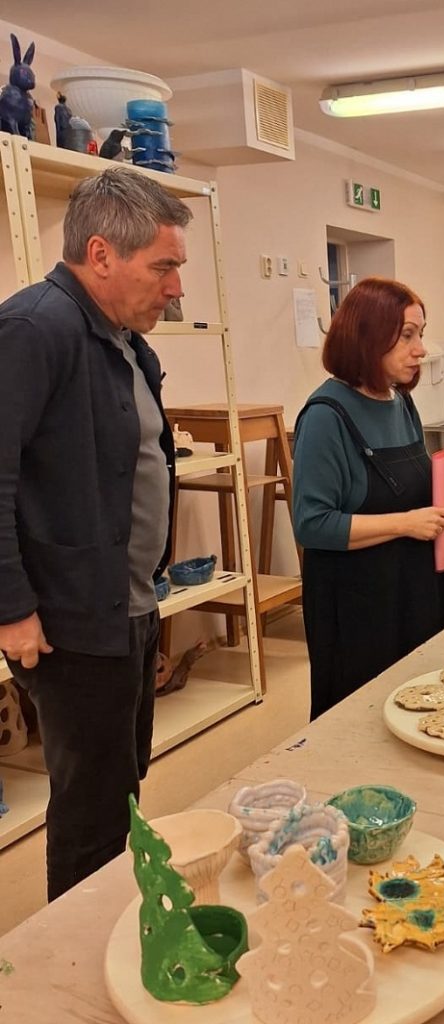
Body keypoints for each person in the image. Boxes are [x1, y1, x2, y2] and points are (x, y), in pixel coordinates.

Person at [0, 167, 188, 900]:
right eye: (163, 267)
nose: (175, 288)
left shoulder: (124, 341)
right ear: (102, 254)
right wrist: (12, 608)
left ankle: (116, 923)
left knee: (123, 783)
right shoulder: (33, 330)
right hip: (69, 623)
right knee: (90, 811)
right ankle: (76, 954)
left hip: (128, 605)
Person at [293, 277, 444, 720]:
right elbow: (312, 524)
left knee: (426, 708)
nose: (421, 349)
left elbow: (412, 489)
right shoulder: (326, 416)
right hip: (358, 606)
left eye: (420, 334)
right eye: (407, 335)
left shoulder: (400, 403)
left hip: (416, 591)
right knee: (364, 717)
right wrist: (406, 523)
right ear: (367, 336)